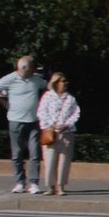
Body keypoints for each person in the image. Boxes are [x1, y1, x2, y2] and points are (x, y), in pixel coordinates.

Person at [0, 53, 45, 194]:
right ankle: (19, 182)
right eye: (32, 67)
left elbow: (50, 87)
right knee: (17, 153)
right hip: (15, 120)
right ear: (24, 67)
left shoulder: (36, 80)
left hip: (33, 121)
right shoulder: (10, 78)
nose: (34, 70)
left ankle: (33, 182)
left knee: (34, 153)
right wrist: (5, 104)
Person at [36, 70, 80, 198]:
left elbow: (76, 113)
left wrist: (66, 124)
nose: (65, 83)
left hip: (66, 132)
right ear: (56, 83)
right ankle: (50, 186)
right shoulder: (47, 96)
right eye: (63, 81)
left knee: (64, 160)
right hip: (51, 132)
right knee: (49, 160)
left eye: (66, 81)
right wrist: (52, 124)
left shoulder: (71, 98)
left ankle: (61, 185)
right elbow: (41, 112)